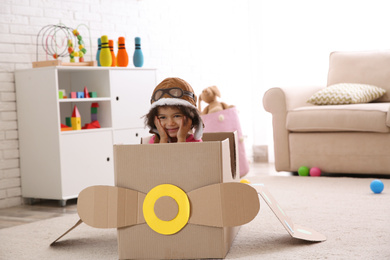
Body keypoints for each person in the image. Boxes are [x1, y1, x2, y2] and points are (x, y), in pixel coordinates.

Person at [145, 77, 204, 143]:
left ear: (190, 117)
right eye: (163, 117)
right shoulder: (154, 141)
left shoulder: (195, 142)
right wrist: (163, 138)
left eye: (177, 116)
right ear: (155, 120)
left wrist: (181, 138)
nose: (170, 123)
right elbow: (160, 153)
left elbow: (180, 153)